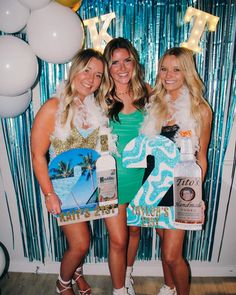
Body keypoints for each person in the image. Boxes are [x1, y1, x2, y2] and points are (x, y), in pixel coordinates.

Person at [31, 48, 115, 295]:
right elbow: (37, 155)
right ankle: (62, 283)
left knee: (81, 240)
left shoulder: (96, 107)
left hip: (89, 188)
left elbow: (102, 149)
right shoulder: (53, 107)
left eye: (99, 75)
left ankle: (77, 273)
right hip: (64, 190)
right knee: (81, 243)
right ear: (74, 69)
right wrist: (49, 194)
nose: (91, 78)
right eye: (87, 70)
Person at [141, 47, 212, 295]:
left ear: (187, 73)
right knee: (164, 241)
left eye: (176, 69)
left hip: (181, 188)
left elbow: (201, 157)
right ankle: (168, 287)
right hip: (154, 184)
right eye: (164, 69)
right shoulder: (154, 103)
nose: (168, 75)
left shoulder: (200, 110)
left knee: (172, 255)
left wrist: (195, 198)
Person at [98, 37, 152, 295]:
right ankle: (118, 290)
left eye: (126, 60)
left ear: (134, 62)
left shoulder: (147, 93)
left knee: (133, 234)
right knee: (118, 240)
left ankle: (127, 276)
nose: (121, 68)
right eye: (114, 62)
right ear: (108, 68)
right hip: (110, 179)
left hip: (141, 178)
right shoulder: (100, 97)